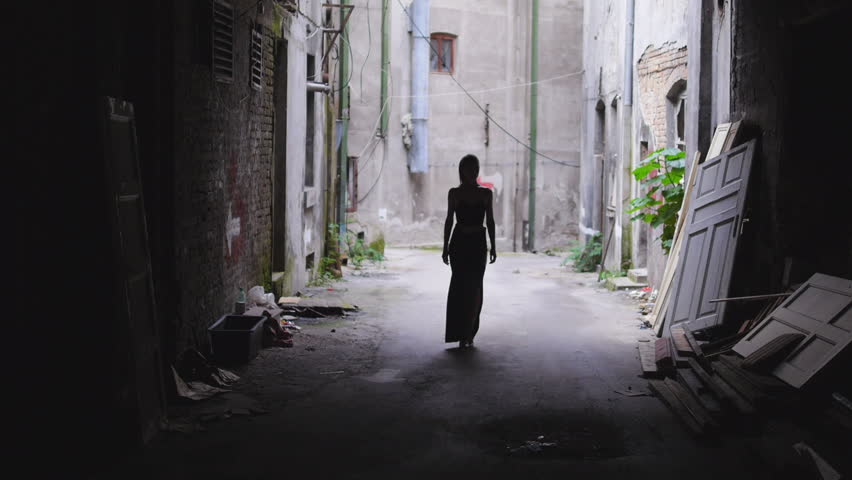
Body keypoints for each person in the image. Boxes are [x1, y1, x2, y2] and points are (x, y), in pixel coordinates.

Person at [442, 154, 497, 349]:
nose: (471, 171)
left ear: (477, 169)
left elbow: (490, 221)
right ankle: (460, 332)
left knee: (474, 289)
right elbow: (449, 220)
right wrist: (445, 247)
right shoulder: (454, 193)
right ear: (462, 170)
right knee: (459, 288)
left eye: (474, 167)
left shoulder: (486, 193)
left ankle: (468, 332)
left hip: (477, 244)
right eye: (468, 167)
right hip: (459, 244)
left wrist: (493, 246)